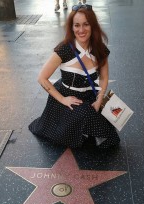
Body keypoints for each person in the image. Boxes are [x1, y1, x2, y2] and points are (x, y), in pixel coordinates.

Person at [29, 4, 120, 149]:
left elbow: (104, 77)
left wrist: (100, 98)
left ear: (93, 26)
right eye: (76, 25)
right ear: (71, 27)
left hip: (89, 94)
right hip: (67, 97)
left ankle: (84, 129)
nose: (81, 30)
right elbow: (42, 78)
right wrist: (62, 99)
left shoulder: (100, 49)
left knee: (111, 137)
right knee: (86, 115)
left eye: (86, 24)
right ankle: (79, 129)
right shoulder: (64, 48)